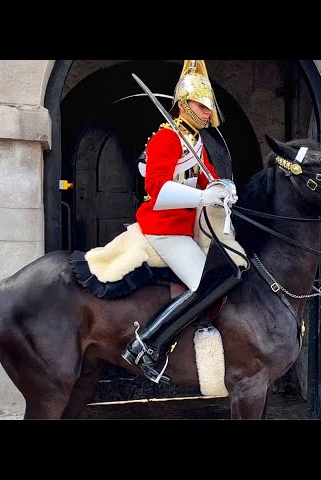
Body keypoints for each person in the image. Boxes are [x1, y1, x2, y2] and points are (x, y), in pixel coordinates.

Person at [122, 60, 242, 383]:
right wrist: (203, 198)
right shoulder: (166, 138)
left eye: (208, 107)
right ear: (185, 104)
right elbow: (157, 190)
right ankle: (146, 344)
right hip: (163, 228)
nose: (207, 113)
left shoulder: (196, 142)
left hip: (188, 228)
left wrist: (224, 190)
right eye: (201, 106)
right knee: (205, 284)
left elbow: (210, 181)